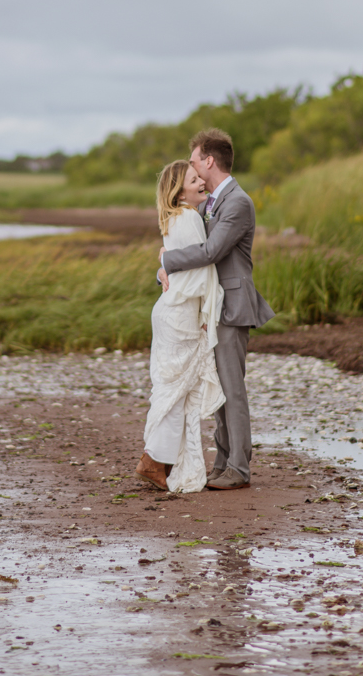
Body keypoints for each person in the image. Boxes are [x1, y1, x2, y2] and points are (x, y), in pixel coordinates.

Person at [157, 128, 274, 490]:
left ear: (209, 161)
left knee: (232, 389)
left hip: (232, 305)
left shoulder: (238, 202)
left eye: (193, 161)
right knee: (219, 388)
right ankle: (223, 463)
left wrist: (167, 260)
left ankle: (239, 468)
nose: (191, 167)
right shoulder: (212, 203)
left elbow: (210, 253)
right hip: (214, 306)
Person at [137, 160, 226, 493]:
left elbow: (178, 264)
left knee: (172, 389)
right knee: (176, 392)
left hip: (170, 311)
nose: (201, 181)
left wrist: (163, 266)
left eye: (199, 176)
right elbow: (202, 268)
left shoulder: (173, 219)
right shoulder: (188, 217)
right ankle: (153, 461)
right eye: (193, 179)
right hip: (180, 314)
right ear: (180, 191)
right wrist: (207, 315)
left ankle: (160, 459)